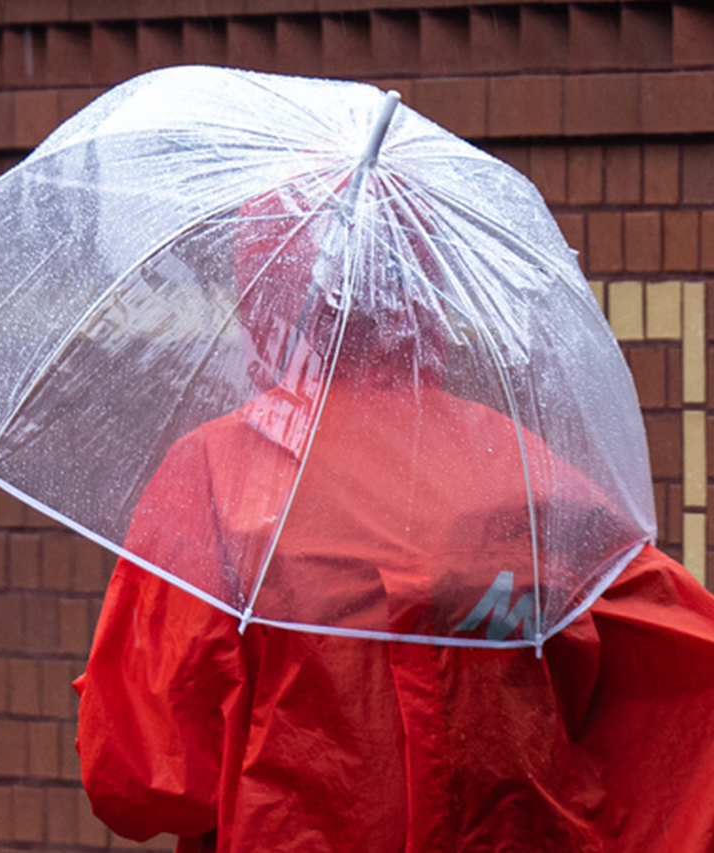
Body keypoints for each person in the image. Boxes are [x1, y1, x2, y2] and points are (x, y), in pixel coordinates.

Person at [73, 187, 714, 852]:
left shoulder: (221, 477)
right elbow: (676, 670)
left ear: (267, 293)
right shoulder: (521, 470)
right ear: (425, 288)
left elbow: (141, 775)